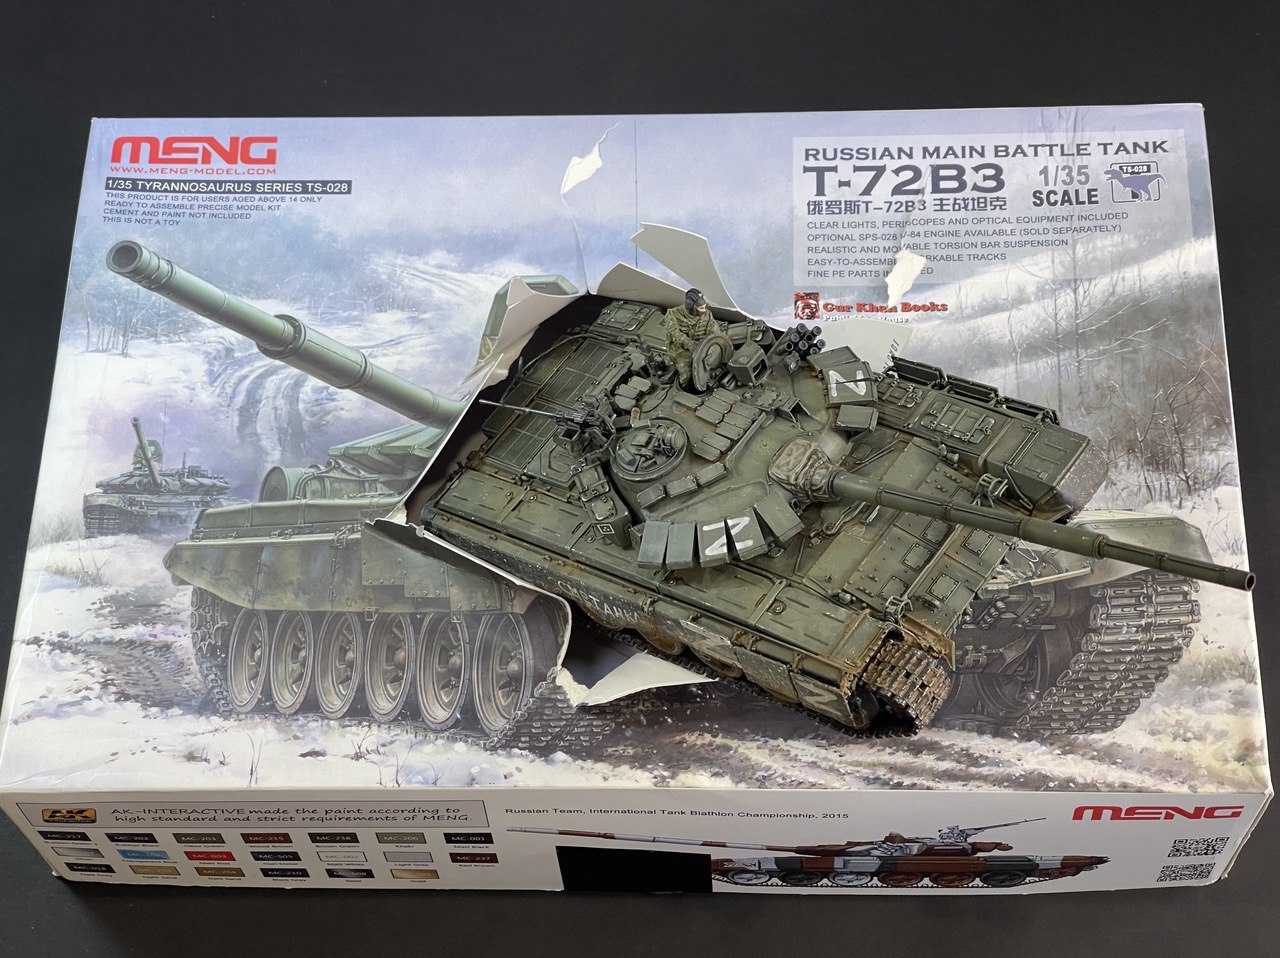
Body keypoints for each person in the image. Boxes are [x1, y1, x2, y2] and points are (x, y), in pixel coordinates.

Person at [664, 288, 720, 388]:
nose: (704, 310)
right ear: (692, 307)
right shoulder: (673, 314)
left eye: (704, 307)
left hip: (701, 346)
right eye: (701, 308)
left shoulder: (707, 314)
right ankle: (684, 386)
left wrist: (709, 346)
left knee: (715, 362)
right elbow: (674, 332)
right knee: (686, 372)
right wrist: (688, 343)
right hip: (681, 349)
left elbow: (713, 331)